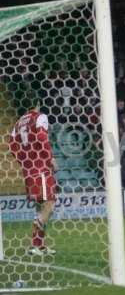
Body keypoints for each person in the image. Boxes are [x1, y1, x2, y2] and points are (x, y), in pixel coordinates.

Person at [9, 98, 57, 256]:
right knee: (50, 204)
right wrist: (50, 159)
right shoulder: (39, 116)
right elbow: (42, 138)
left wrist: (25, 162)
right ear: (37, 102)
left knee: (41, 207)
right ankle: (35, 242)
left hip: (29, 170)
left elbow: (12, 145)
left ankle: (39, 246)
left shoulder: (18, 123)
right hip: (41, 168)